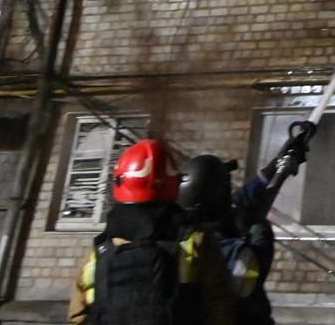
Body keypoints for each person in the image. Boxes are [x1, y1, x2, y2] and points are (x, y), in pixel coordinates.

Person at [68, 138, 233, 325]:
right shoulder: (195, 239)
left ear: (120, 180)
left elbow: (78, 315)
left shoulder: (101, 250)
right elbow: (220, 305)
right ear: (174, 182)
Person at [181, 123, 313, 325]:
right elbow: (254, 270)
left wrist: (277, 164)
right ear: (219, 195)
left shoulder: (188, 231)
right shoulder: (221, 248)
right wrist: (261, 230)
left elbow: (245, 199)